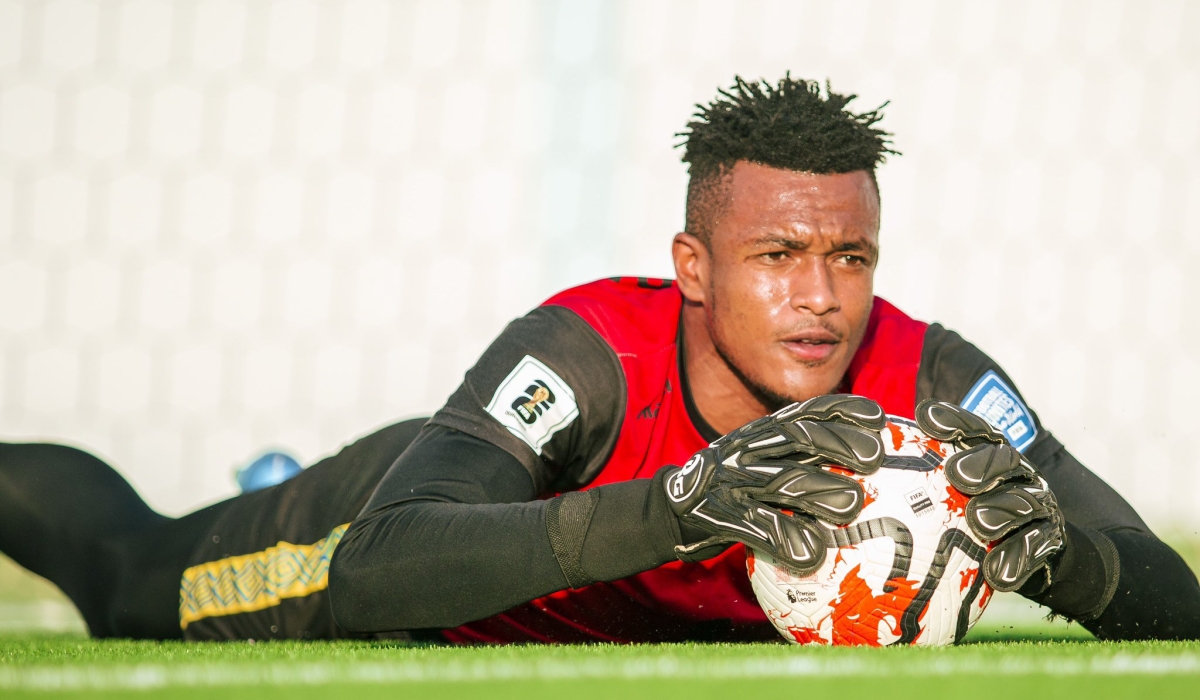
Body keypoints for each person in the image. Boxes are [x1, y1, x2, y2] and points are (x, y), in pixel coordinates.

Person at [1, 76, 1196, 643]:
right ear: (691, 265)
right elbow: (385, 563)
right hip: (401, 561)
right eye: (776, 254)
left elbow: (1168, 594)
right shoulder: (586, 351)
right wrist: (684, 503)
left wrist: (1059, 557)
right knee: (117, 576)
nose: (820, 297)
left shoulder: (934, 381)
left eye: (850, 254)